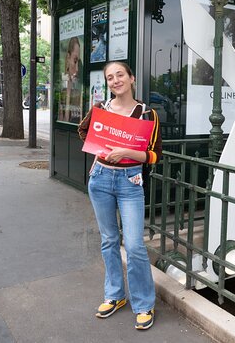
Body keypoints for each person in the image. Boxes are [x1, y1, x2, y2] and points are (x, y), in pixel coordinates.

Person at [77, 61, 162, 330]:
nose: (115, 81)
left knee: (135, 245)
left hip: (130, 181)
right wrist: (98, 150)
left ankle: (144, 303)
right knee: (109, 240)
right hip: (100, 179)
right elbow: (84, 131)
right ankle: (115, 295)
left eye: (120, 75)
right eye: (110, 77)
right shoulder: (100, 110)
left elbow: (154, 154)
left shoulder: (147, 114)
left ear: (131, 78)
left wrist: (125, 153)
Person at [62, 36, 83, 122]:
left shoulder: (78, 89)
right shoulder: (62, 88)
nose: (77, 69)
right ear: (68, 57)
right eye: (75, 61)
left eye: (78, 62)